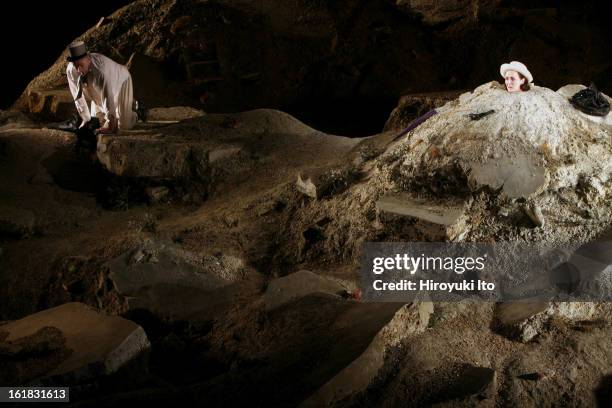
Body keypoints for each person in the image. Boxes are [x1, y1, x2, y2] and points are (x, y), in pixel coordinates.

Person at [65, 41, 144, 134]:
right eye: (76, 65)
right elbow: (76, 95)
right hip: (98, 87)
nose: (78, 70)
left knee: (123, 125)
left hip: (122, 81)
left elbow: (107, 96)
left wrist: (111, 124)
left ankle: (137, 112)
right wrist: (85, 118)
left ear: (88, 59)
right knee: (98, 122)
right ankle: (113, 114)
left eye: (81, 65)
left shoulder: (100, 70)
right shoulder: (71, 70)